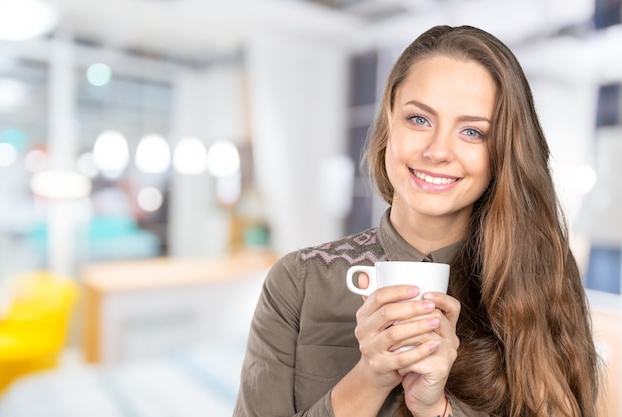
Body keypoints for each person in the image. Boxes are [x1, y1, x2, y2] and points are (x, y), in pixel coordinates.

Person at [232, 25, 599, 417]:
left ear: (503, 151)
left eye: (472, 131)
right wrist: (369, 377)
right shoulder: (299, 282)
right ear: (389, 118)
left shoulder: (545, 283)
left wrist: (437, 409)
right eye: (419, 120)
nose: (438, 151)